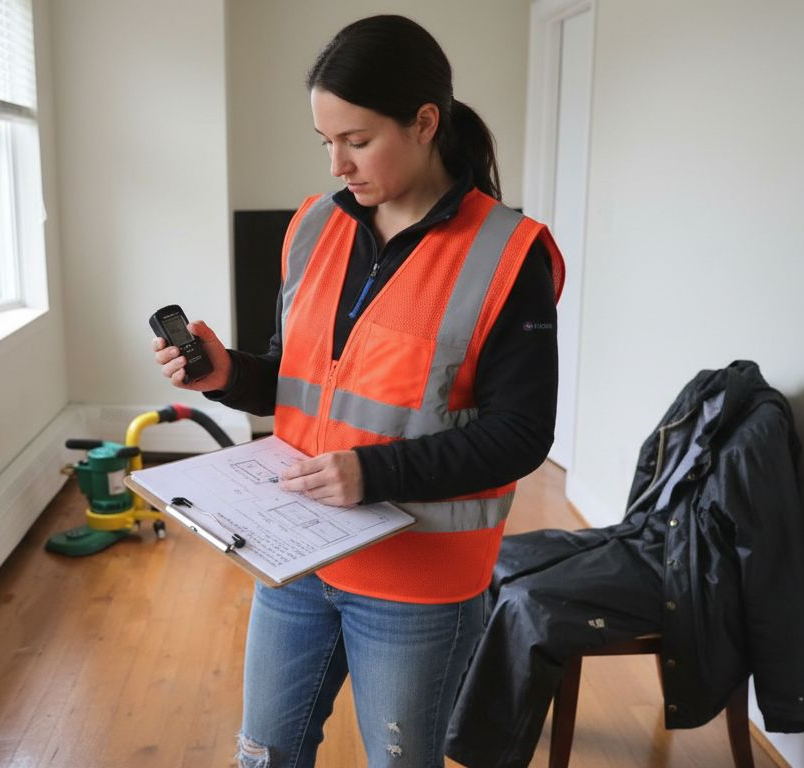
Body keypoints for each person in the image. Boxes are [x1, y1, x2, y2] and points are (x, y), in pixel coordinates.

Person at [150, 15, 564, 768]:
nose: (337, 163)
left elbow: (522, 434)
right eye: (326, 142)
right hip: (296, 557)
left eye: (358, 140)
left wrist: (372, 474)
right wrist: (230, 374)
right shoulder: (313, 227)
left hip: (419, 586)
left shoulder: (508, 255)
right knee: (262, 758)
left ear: (425, 122)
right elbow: (306, 375)